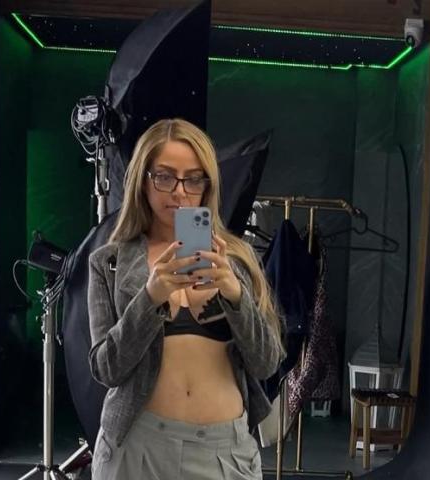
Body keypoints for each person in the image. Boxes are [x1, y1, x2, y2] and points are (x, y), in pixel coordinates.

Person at [87, 118, 286, 479]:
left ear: (207, 185)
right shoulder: (109, 263)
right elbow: (107, 369)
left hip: (223, 453)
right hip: (137, 448)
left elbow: (266, 363)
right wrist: (150, 297)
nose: (180, 192)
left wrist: (235, 295)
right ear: (142, 180)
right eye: (164, 177)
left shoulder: (237, 260)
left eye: (193, 179)